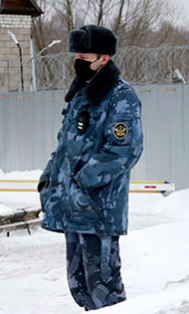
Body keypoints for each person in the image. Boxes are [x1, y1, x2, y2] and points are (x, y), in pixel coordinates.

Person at [38, 24, 144, 310]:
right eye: (77, 57)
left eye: (85, 59)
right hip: (73, 208)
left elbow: (124, 150)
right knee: (80, 285)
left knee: (104, 289)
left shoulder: (121, 97)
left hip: (98, 210)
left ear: (104, 59)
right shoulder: (80, 95)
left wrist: (83, 182)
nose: (78, 63)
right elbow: (65, 147)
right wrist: (49, 181)